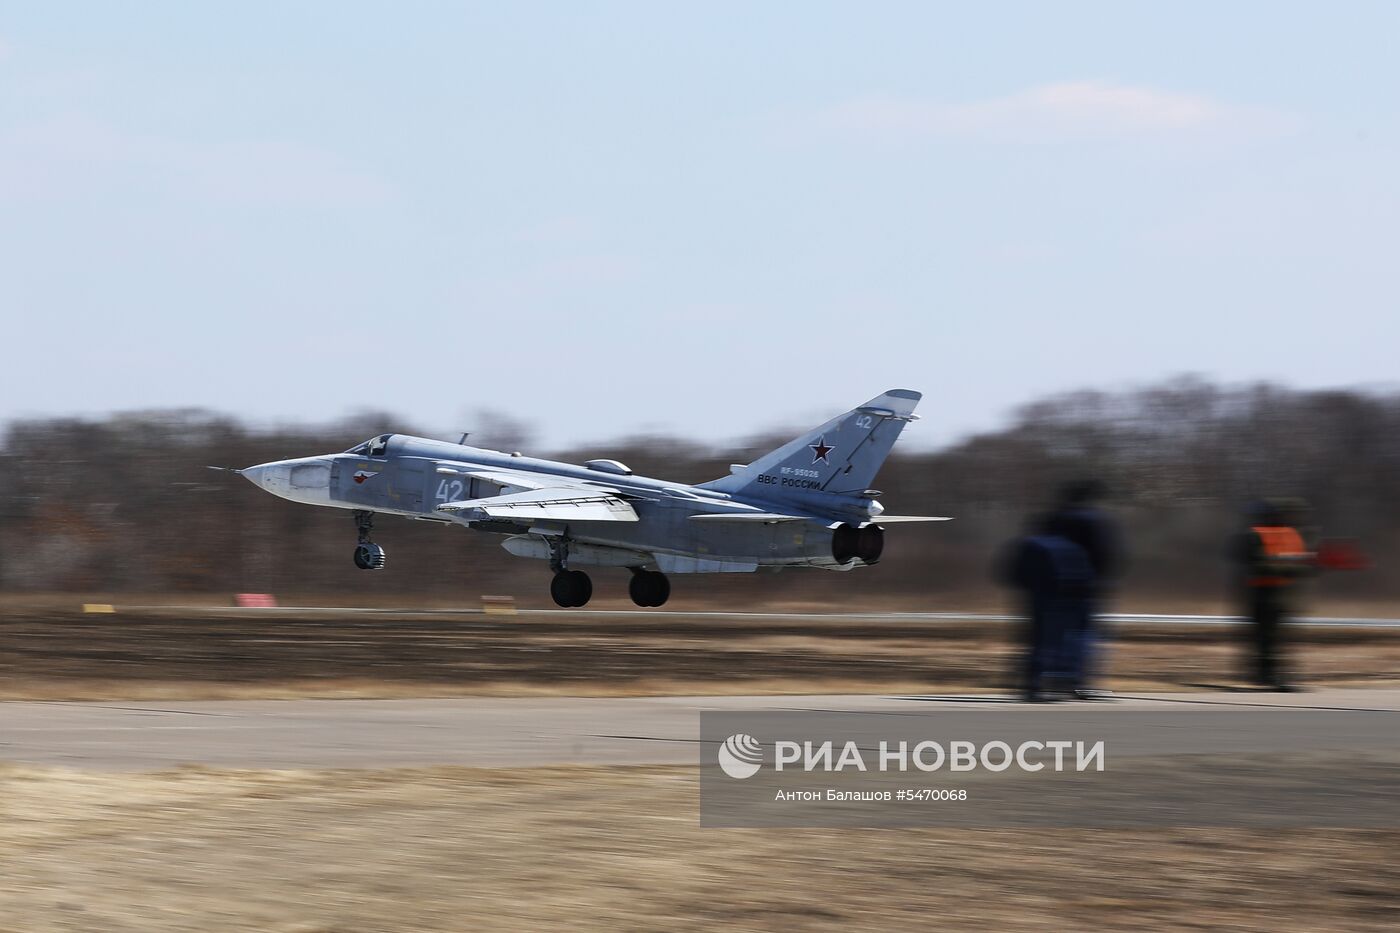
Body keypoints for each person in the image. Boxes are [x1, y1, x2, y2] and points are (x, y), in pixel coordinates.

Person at [999, 514, 1094, 702]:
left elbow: (1015, 573)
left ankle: (1032, 686)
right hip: (1067, 603)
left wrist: (1030, 589)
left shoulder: (1031, 544)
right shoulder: (1073, 546)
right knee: (1061, 644)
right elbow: (1084, 577)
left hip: (1039, 600)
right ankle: (1060, 683)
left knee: (1037, 643)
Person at [1046, 480, 1123, 699]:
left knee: (1055, 632)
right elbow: (1105, 553)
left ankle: (1054, 677)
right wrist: (1103, 579)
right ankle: (1075, 681)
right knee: (1082, 633)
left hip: (1053, 584)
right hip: (1085, 584)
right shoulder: (1094, 520)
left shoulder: (1053, 519)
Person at [1231, 498, 1315, 691]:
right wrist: (1290, 569)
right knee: (1267, 637)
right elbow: (1257, 565)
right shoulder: (1256, 535)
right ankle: (1270, 675)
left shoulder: (1290, 535)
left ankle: (1268, 674)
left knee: (1273, 637)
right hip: (1264, 594)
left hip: (1280, 594)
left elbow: (1303, 564)